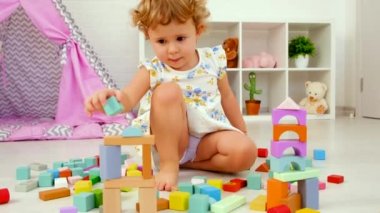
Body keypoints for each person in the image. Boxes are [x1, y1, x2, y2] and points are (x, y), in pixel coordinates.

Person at [85, 0, 257, 191]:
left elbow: (227, 97)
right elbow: (128, 99)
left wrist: (242, 131)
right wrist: (111, 99)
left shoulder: (212, 59)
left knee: (246, 152)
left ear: (197, 31)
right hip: (171, 142)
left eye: (181, 38)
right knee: (168, 91)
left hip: (208, 139)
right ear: (149, 36)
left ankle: (189, 164)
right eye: (161, 41)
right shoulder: (152, 69)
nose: (172, 49)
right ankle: (169, 164)